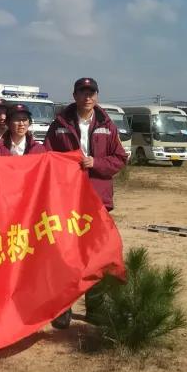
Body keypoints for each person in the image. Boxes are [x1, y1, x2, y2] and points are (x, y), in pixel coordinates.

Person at [44, 77, 128, 330]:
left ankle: (96, 308)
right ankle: (63, 309)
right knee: (65, 254)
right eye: (83, 92)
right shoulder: (59, 124)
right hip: (67, 198)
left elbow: (119, 158)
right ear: (75, 95)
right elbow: (47, 156)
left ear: (97, 96)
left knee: (96, 254)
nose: (87, 97)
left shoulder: (107, 125)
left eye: (92, 92)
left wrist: (96, 163)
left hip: (97, 199)